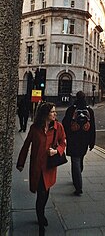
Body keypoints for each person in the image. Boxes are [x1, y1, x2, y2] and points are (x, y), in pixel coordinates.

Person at [16, 102, 66, 236]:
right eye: (52, 112)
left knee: (45, 192)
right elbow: (26, 145)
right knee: (41, 193)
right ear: (45, 114)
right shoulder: (34, 128)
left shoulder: (58, 127)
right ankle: (40, 222)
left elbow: (63, 142)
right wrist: (20, 162)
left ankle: (41, 213)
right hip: (37, 167)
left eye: (55, 111)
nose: (55, 114)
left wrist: (57, 151)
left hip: (49, 167)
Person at [62, 91, 95, 196]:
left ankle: (78, 186)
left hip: (73, 139)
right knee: (80, 158)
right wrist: (92, 142)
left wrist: (66, 136)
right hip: (84, 140)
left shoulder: (71, 110)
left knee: (75, 161)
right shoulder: (89, 110)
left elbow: (65, 124)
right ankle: (78, 176)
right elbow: (92, 127)